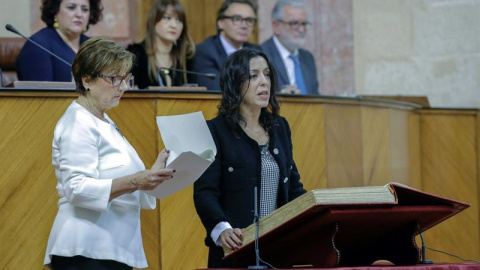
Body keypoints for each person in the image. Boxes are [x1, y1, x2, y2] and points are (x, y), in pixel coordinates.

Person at [43, 37, 175, 270]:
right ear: (87, 80)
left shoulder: (103, 120)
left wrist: (151, 176)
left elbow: (119, 178)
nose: (123, 86)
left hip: (110, 247)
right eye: (114, 78)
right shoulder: (78, 122)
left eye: (126, 78)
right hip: (85, 250)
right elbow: (77, 188)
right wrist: (136, 180)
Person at [193, 47, 307, 268]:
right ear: (235, 83)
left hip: (278, 249)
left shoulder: (280, 127)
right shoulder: (214, 131)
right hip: (235, 249)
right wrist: (221, 229)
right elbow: (205, 193)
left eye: (267, 74)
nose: (264, 82)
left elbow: (293, 188)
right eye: (253, 76)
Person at [16, 0, 103, 82]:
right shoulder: (38, 45)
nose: (79, 14)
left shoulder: (94, 46)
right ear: (55, 10)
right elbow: (39, 96)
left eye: (85, 9)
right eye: (71, 7)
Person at [192, 0, 261, 90]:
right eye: (237, 19)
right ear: (221, 23)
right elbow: (215, 90)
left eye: (249, 20)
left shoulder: (257, 52)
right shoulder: (204, 52)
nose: (244, 26)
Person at [127, 0, 195, 89]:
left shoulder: (186, 57)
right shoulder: (136, 54)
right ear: (154, 21)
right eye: (167, 18)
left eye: (179, 20)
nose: (174, 25)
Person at [261, 0, 319, 95]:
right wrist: (281, 97)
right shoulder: (261, 55)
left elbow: (315, 96)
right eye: (294, 23)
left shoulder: (308, 58)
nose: (301, 29)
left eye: (304, 24)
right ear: (276, 26)